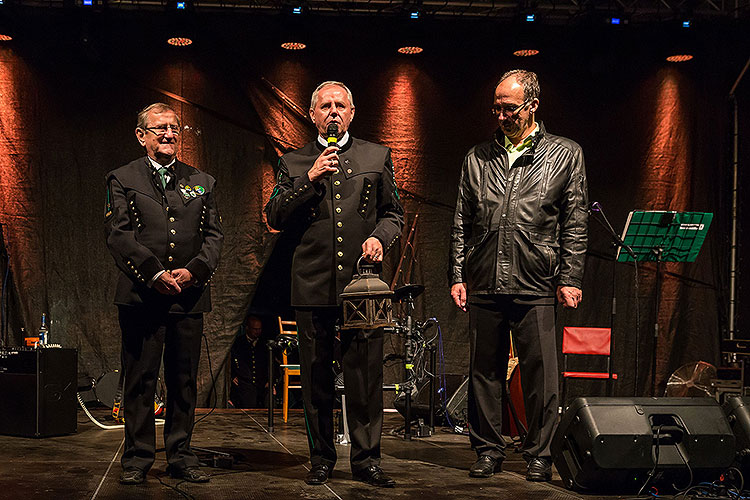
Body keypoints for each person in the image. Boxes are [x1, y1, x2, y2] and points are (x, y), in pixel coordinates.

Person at [448, 70, 588, 482]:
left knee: (540, 374)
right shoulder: (477, 157)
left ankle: (539, 453)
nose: (502, 115)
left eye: (510, 108)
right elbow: (461, 221)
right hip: (485, 275)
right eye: (497, 108)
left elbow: (576, 221)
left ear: (533, 106)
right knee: (484, 371)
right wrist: (458, 273)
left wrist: (571, 277)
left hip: (536, 278)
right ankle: (488, 450)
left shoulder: (565, 154)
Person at [265, 81, 403, 488]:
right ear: (312, 115)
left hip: (362, 289)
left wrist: (380, 236)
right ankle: (321, 458)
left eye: (340, 105)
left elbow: (394, 213)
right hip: (311, 286)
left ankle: (366, 460)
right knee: (316, 379)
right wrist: (308, 177)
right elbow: (275, 215)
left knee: (365, 377)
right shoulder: (293, 162)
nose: (332, 111)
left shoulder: (376, 156)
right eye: (324, 106)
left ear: (353, 112)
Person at [105, 103, 223, 485]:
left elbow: (214, 238)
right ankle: (137, 459)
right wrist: (154, 272)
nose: (169, 134)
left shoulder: (202, 181)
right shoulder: (122, 178)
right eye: (159, 129)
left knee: (183, 380)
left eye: (174, 128)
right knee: (140, 379)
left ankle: (181, 456)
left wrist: (194, 272)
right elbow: (118, 235)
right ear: (142, 136)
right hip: (142, 296)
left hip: (187, 297)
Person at [230, 315, 272, 408]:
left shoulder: (264, 344)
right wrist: (232, 376)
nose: (257, 332)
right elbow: (232, 361)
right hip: (245, 383)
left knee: (270, 398)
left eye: (259, 329)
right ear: (247, 328)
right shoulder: (238, 343)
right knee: (248, 400)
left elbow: (270, 363)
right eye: (255, 329)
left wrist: (271, 381)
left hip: (262, 382)